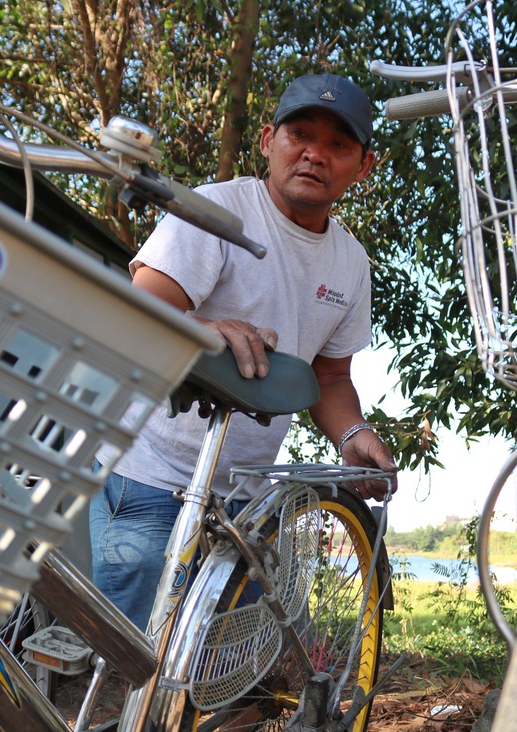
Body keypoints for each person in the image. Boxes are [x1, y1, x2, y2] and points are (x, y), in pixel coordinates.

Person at [90, 72, 399, 630]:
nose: (314, 154)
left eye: (338, 145)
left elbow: (329, 379)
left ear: (364, 165)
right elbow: (134, 316)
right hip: (150, 471)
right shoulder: (216, 213)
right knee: (130, 662)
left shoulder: (351, 265)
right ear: (267, 141)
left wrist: (354, 435)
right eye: (299, 134)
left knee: (228, 679)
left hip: (248, 497)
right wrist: (202, 329)